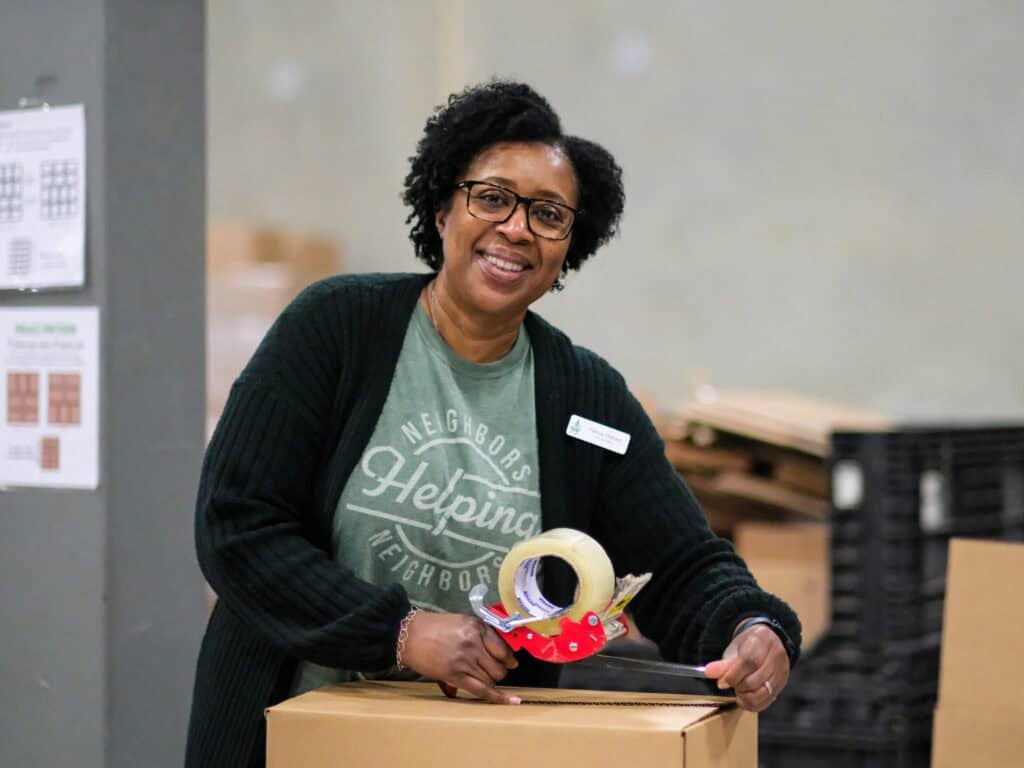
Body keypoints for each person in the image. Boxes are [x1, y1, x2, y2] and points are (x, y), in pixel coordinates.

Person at [185, 80, 800, 767]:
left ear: (571, 245)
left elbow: (681, 564)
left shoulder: (587, 397)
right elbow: (238, 525)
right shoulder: (336, 330)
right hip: (290, 738)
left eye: (548, 215)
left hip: (481, 747)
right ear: (444, 206)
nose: (516, 228)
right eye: (492, 197)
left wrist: (754, 625)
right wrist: (401, 632)